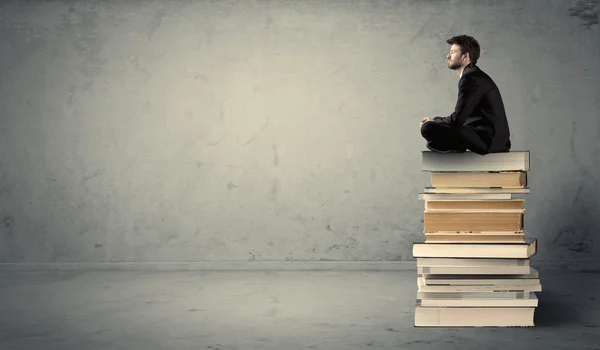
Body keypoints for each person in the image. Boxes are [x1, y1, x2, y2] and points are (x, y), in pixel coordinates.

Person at [420, 35, 511, 154]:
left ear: (465, 56)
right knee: (434, 131)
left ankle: (454, 146)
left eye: (453, 52)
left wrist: (434, 121)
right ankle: (454, 146)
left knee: (428, 128)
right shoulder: (474, 75)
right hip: (492, 138)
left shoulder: (470, 78)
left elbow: (457, 119)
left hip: (488, 141)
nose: (448, 56)